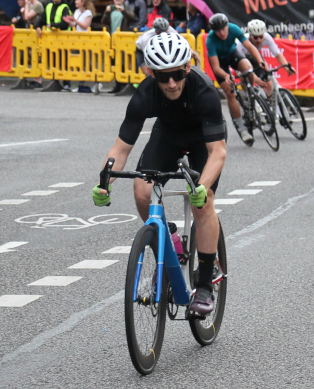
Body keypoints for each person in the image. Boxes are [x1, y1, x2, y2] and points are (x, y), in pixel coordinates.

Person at [92, 32, 226, 315]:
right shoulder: (144, 95)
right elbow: (121, 147)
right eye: (163, 77)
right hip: (167, 135)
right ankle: (171, 242)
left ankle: (204, 284)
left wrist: (201, 186)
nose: (172, 83)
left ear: (187, 68)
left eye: (177, 74)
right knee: (141, 190)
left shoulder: (205, 92)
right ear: (152, 74)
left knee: (202, 202)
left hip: (203, 140)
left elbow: (218, 152)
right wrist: (105, 182)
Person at [206, 13, 268, 145]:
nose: (222, 33)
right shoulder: (210, 40)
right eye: (218, 31)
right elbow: (216, 67)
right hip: (220, 64)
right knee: (230, 92)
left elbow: (250, 47)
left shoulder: (234, 28)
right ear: (213, 31)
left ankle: (248, 94)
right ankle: (242, 128)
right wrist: (226, 75)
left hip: (232, 54)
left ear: (227, 26)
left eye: (224, 29)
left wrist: (260, 61)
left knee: (248, 67)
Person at [236, 18, 294, 109]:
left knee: (268, 82)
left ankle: (275, 110)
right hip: (240, 59)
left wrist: (287, 68)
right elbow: (243, 67)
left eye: (261, 36)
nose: (259, 40)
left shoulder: (267, 37)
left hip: (255, 57)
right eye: (255, 37)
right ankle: (246, 96)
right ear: (250, 36)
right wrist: (256, 80)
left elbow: (278, 54)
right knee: (243, 76)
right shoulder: (241, 44)